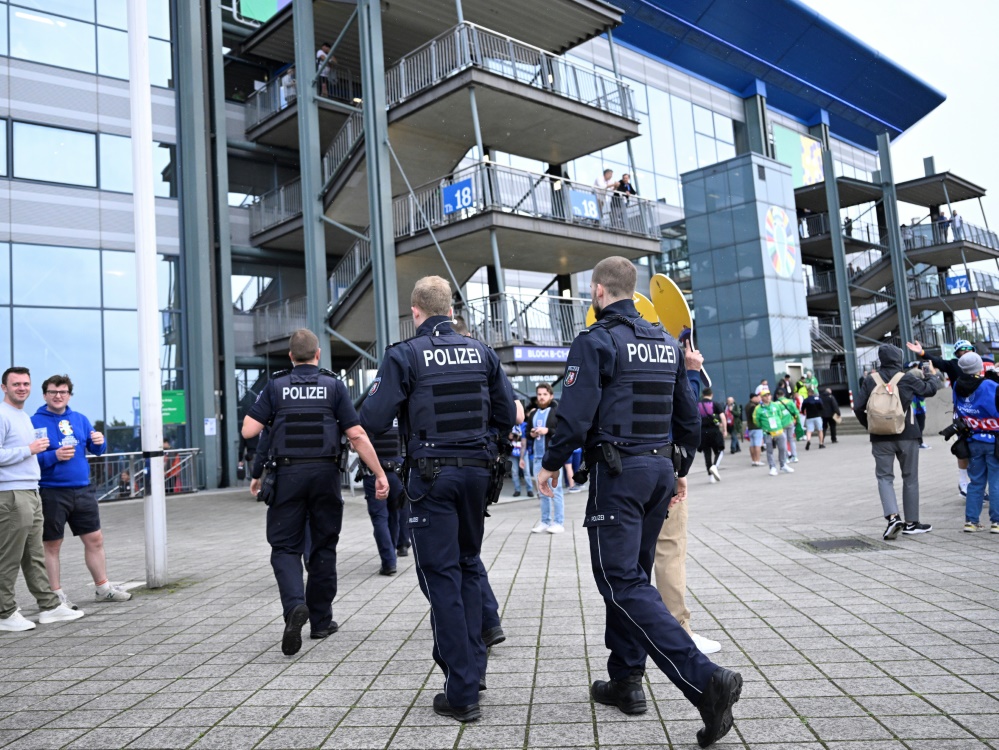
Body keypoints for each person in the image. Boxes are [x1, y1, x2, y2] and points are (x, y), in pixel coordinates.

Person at [536, 257, 741, 749]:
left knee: (618, 579)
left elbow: (575, 412)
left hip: (621, 473)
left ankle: (705, 679)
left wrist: (550, 462)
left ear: (599, 291)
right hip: (658, 474)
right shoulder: (665, 343)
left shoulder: (596, 340)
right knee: (633, 577)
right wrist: (681, 470)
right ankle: (626, 680)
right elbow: (687, 417)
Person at [359, 276, 516, 723]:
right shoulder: (482, 351)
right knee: (468, 565)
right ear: (450, 310)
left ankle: (462, 690)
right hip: (477, 476)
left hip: (431, 477)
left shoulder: (404, 354)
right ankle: (472, 668)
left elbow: (371, 417)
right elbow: (506, 414)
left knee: (441, 578)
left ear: (416, 312)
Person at [242, 329, 389, 656]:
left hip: (288, 476)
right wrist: (379, 474)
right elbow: (357, 434)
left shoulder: (276, 386)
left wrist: (274, 419)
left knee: (284, 547)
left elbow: (249, 429)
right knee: (323, 546)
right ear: (318, 355)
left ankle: (295, 605)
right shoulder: (334, 385)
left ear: (291, 357)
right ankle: (321, 621)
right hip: (325, 475)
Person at [30, 374, 130, 607]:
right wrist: (53, 456)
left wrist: (99, 440)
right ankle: (56, 597)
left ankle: (103, 589)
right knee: (52, 544)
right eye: (53, 392)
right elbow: (29, 459)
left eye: (63, 392)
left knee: (95, 539)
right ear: (45, 395)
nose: (58, 396)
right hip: (51, 491)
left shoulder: (80, 418)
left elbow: (97, 450)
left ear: (69, 395)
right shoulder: (34, 421)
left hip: (83, 489)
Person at [0, 367, 84, 632]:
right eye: (16, 384)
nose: (21, 388)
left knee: (34, 555)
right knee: (9, 557)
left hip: (31, 491)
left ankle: (48, 606)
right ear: (4, 387)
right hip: (11, 494)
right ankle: (4, 612)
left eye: (25, 383)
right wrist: (28, 450)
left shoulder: (22, 416)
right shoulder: (2, 415)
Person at [654, 343, 722, 657]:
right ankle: (679, 632)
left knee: (628, 559)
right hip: (662, 467)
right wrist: (691, 372)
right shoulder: (663, 355)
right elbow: (685, 415)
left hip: (619, 471)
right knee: (669, 549)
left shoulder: (606, 345)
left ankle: (631, 635)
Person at [854, 344, 941, 541]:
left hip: (879, 437)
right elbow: (930, 390)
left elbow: (858, 407)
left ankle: (893, 518)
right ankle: (912, 523)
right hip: (907, 434)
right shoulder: (907, 378)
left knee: (884, 477)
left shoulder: (870, 380)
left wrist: (871, 425)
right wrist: (931, 375)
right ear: (898, 359)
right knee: (910, 477)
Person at [906, 338, 976, 494]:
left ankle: (978, 483)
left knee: (983, 447)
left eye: (969, 350)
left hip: (981, 413)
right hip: (963, 413)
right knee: (963, 447)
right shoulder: (953, 365)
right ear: (957, 354)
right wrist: (922, 352)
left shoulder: (981, 369)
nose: (966, 354)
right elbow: (937, 361)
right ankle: (963, 482)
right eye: (963, 351)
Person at [952, 352, 999, 532]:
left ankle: (971, 521)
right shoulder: (990, 386)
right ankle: (996, 522)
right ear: (980, 367)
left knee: (976, 481)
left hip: (971, 439)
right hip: (993, 439)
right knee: (995, 481)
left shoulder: (957, 385)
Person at [361, 419, 407, 576]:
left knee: (380, 517)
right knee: (394, 514)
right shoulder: (398, 415)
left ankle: (389, 561)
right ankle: (392, 555)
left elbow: (356, 443)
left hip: (374, 472)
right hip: (396, 470)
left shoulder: (367, 415)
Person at [528, 383, 564, 534]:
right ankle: (545, 521)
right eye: (539, 394)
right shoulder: (533, 413)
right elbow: (528, 434)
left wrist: (547, 430)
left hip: (552, 457)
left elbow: (562, 432)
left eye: (544, 394)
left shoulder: (556, 412)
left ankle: (559, 522)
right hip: (537, 457)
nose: (541, 397)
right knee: (542, 492)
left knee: (556, 490)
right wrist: (532, 433)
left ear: (551, 395)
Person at [753, 389, 791, 476]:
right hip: (768, 433)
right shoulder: (758, 409)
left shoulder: (775, 405)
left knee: (783, 448)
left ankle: (783, 464)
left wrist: (778, 424)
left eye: (769, 395)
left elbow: (780, 415)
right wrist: (764, 426)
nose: (768, 397)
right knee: (769, 451)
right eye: (765, 396)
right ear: (762, 397)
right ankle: (772, 467)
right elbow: (756, 420)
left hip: (779, 431)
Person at [697, 387, 726, 483]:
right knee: (719, 450)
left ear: (703, 394)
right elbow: (722, 417)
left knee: (707, 453)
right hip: (714, 431)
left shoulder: (698, 404)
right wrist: (725, 430)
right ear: (711, 394)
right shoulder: (715, 404)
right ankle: (715, 466)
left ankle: (711, 477)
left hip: (702, 432)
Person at [775, 391, 800, 463]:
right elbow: (796, 412)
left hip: (781, 424)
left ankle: (786, 457)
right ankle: (794, 456)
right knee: (791, 439)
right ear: (784, 394)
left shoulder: (775, 404)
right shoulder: (790, 401)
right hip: (790, 422)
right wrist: (797, 421)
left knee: (784, 441)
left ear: (777, 396)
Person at [745, 392, 764, 466]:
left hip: (750, 428)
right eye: (757, 397)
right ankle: (757, 460)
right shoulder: (754, 407)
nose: (758, 399)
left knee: (752, 444)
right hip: (756, 427)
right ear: (753, 398)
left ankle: (753, 460)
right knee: (757, 444)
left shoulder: (747, 405)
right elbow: (756, 417)